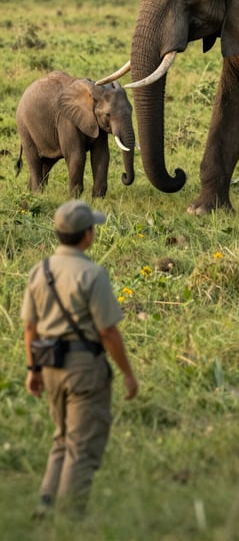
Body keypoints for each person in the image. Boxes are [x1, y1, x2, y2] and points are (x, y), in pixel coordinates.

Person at [22, 200, 138, 519]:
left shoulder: (40, 271)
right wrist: (127, 373)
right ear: (87, 236)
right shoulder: (92, 273)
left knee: (62, 438)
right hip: (84, 369)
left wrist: (33, 370)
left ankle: (45, 505)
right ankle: (70, 520)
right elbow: (108, 332)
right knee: (82, 447)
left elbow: (30, 329)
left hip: (49, 366)